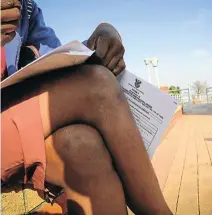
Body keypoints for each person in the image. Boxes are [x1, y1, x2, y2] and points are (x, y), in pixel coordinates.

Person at [1, 0, 173, 214]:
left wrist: (105, 33)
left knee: (82, 146)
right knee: (98, 85)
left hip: (12, 127)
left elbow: (61, 61)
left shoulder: (27, 10)